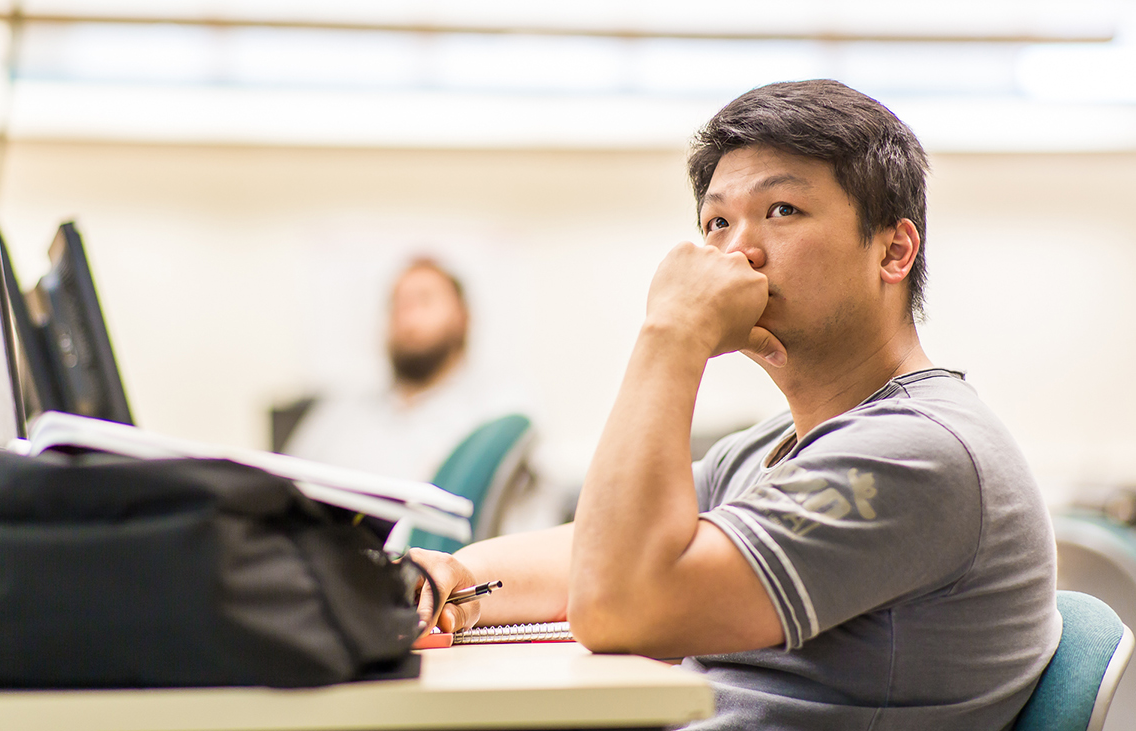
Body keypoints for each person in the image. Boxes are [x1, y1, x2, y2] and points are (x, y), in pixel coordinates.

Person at [412, 80, 1059, 730]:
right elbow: (596, 551)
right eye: (717, 221)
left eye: (781, 209)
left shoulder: (918, 451)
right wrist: (453, 575)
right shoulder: (771, 444)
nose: (736, 251)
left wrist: (671, 334)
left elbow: (617, 603)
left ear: (892, 250)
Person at [286, 257, 519, 483]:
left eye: (424, 301)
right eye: (398, 304)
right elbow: (286, 483)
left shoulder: (499, 412)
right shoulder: (341, 411)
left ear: (462, 318)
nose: (408, 317)